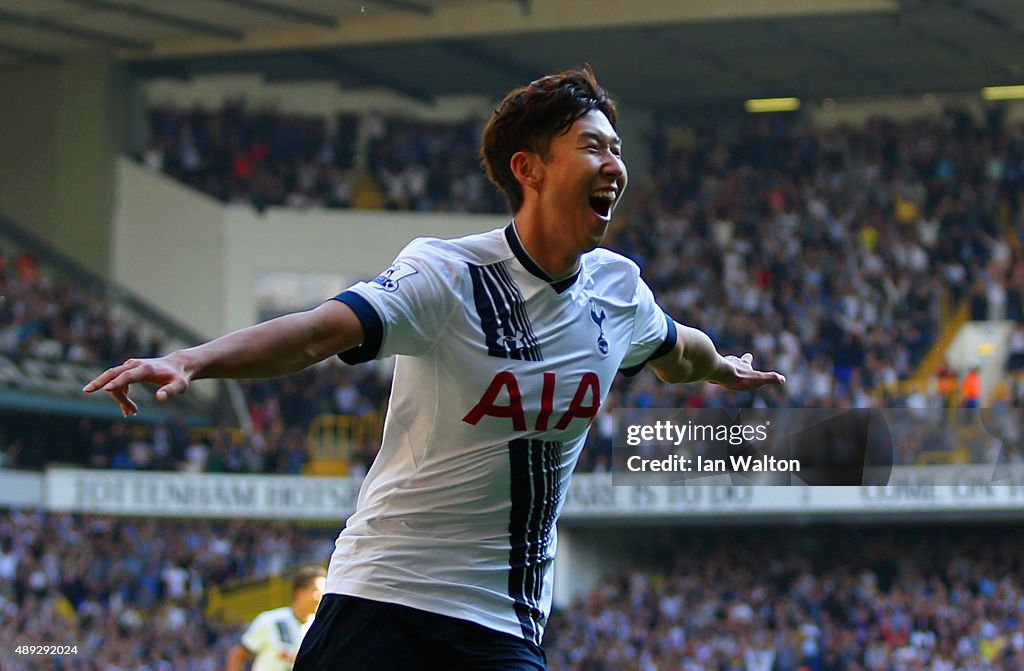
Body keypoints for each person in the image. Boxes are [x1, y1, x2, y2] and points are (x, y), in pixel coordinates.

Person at [84, 66, 784, 670]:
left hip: (500, 619)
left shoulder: (618, 289)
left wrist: (726, 368)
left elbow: (678, 352)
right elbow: (313, 333)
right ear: (529, 168)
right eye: (592, 146)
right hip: (383, 596)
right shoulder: (446, 276)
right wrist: (190, 359)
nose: (615, 165)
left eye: (617, 149)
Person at [225, 565, 326, 671]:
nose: (321, 597)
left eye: (324, 593)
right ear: (299, 592)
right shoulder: (270, 620)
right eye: (317, 591)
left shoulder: (320, 630)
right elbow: (238, 655)